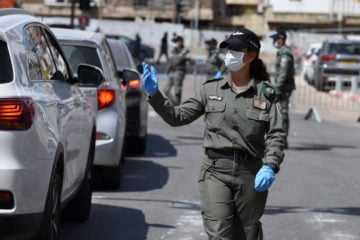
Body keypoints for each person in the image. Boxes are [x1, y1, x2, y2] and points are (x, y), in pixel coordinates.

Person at [142, 28, 286, 240]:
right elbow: (177, 116)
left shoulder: (266, 94)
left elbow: (276, 134)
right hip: (215, 171)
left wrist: (270, 165)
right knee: (220, 233)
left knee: (248, 233)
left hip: (251, 172)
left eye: (237, 49)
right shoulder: (210, 89)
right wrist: (155, 94)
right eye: (228, 48)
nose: (230, 54)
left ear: (251, 55)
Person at [270, 29, 296, 149]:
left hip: (284, 87)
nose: (275, 41)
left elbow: (283, 73)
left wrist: (277, 88)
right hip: (283, 86)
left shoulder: (285, 53)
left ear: (281, 39)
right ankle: (278, 138)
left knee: (283, 113)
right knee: (279, 113)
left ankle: (283, 140)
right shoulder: (282, 52)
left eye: (276, 39)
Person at [163, 35, 195, 105]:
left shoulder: (185, 51)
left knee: (177, 92)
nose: (176, 43)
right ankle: (174, 103)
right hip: (172, 72)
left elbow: (192, 62)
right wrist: (166, 72)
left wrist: (189, 57)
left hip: (179, 72)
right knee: (166, 90)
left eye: (177, 41)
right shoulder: (173, 51)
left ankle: (177, 106)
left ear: (181, 42)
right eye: (175, 42)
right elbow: (170, 62)